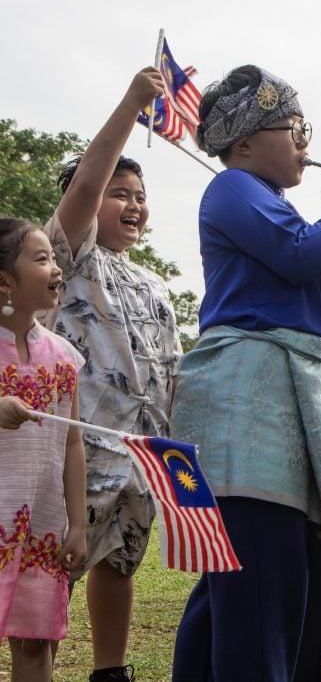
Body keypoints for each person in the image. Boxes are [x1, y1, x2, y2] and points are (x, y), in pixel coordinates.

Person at [168, 65, 321, 682]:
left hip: (292, 398)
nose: (306, 140)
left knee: (267, 585)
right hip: (254, 404)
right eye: (293, 128)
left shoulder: (277, 207)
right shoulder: (232, 188)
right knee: (260, 590)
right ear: (245, 143)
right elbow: (304, 254)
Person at [45, 67, 181, 682]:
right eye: (118, 193)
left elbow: (171, 370)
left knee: (121, 562)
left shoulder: (152, 283)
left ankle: (110, 671)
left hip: (139, 453)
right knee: (56, 566)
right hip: (75, 449)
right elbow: (85, 185)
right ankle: (37, 663)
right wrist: (133, 103)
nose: (133, 204)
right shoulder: (65, 259)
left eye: (140, 196)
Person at [0, 218, 87, 682]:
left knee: (35, 645)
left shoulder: (63, 355)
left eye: (54, 258)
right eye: (41, 258)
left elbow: (73, 442)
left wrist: (77, 522)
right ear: (4, 281)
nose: (55, 267)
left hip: (43, 528)